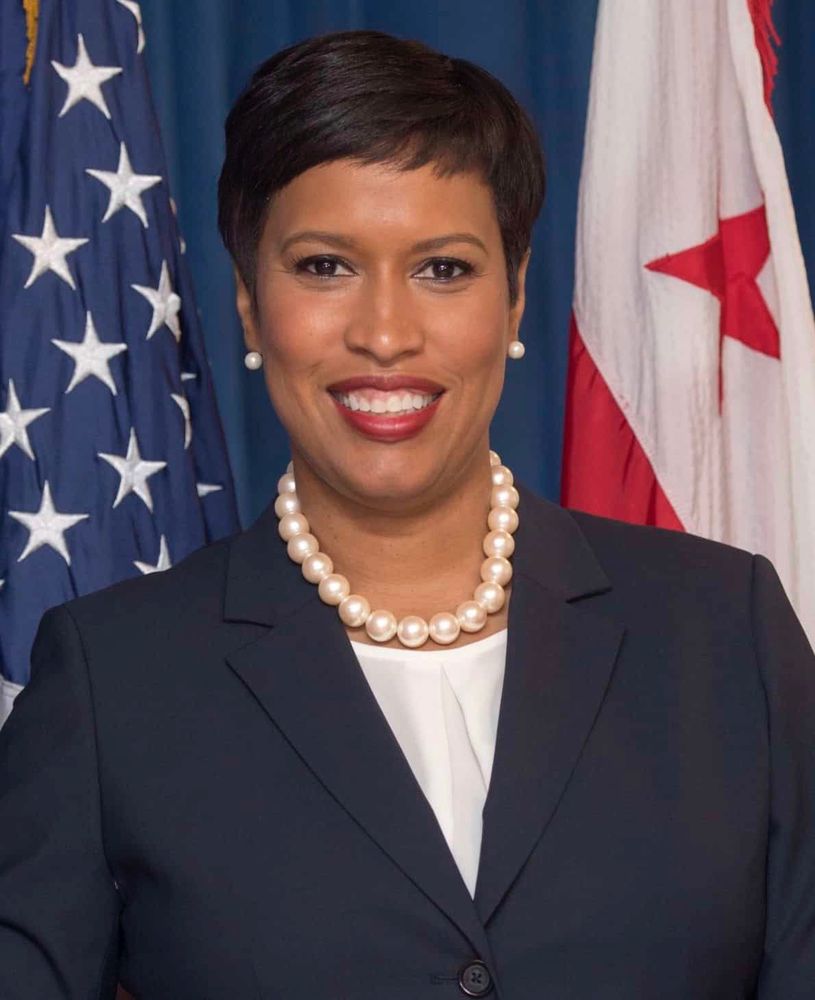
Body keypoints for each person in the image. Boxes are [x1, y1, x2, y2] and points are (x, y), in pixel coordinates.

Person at [1, 28, 813, 1000]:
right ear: (250, 304)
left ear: (514, 299)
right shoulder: (112, 679)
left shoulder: (724, 630)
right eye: (323, 266)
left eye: (442, 269)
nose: (384, 333)